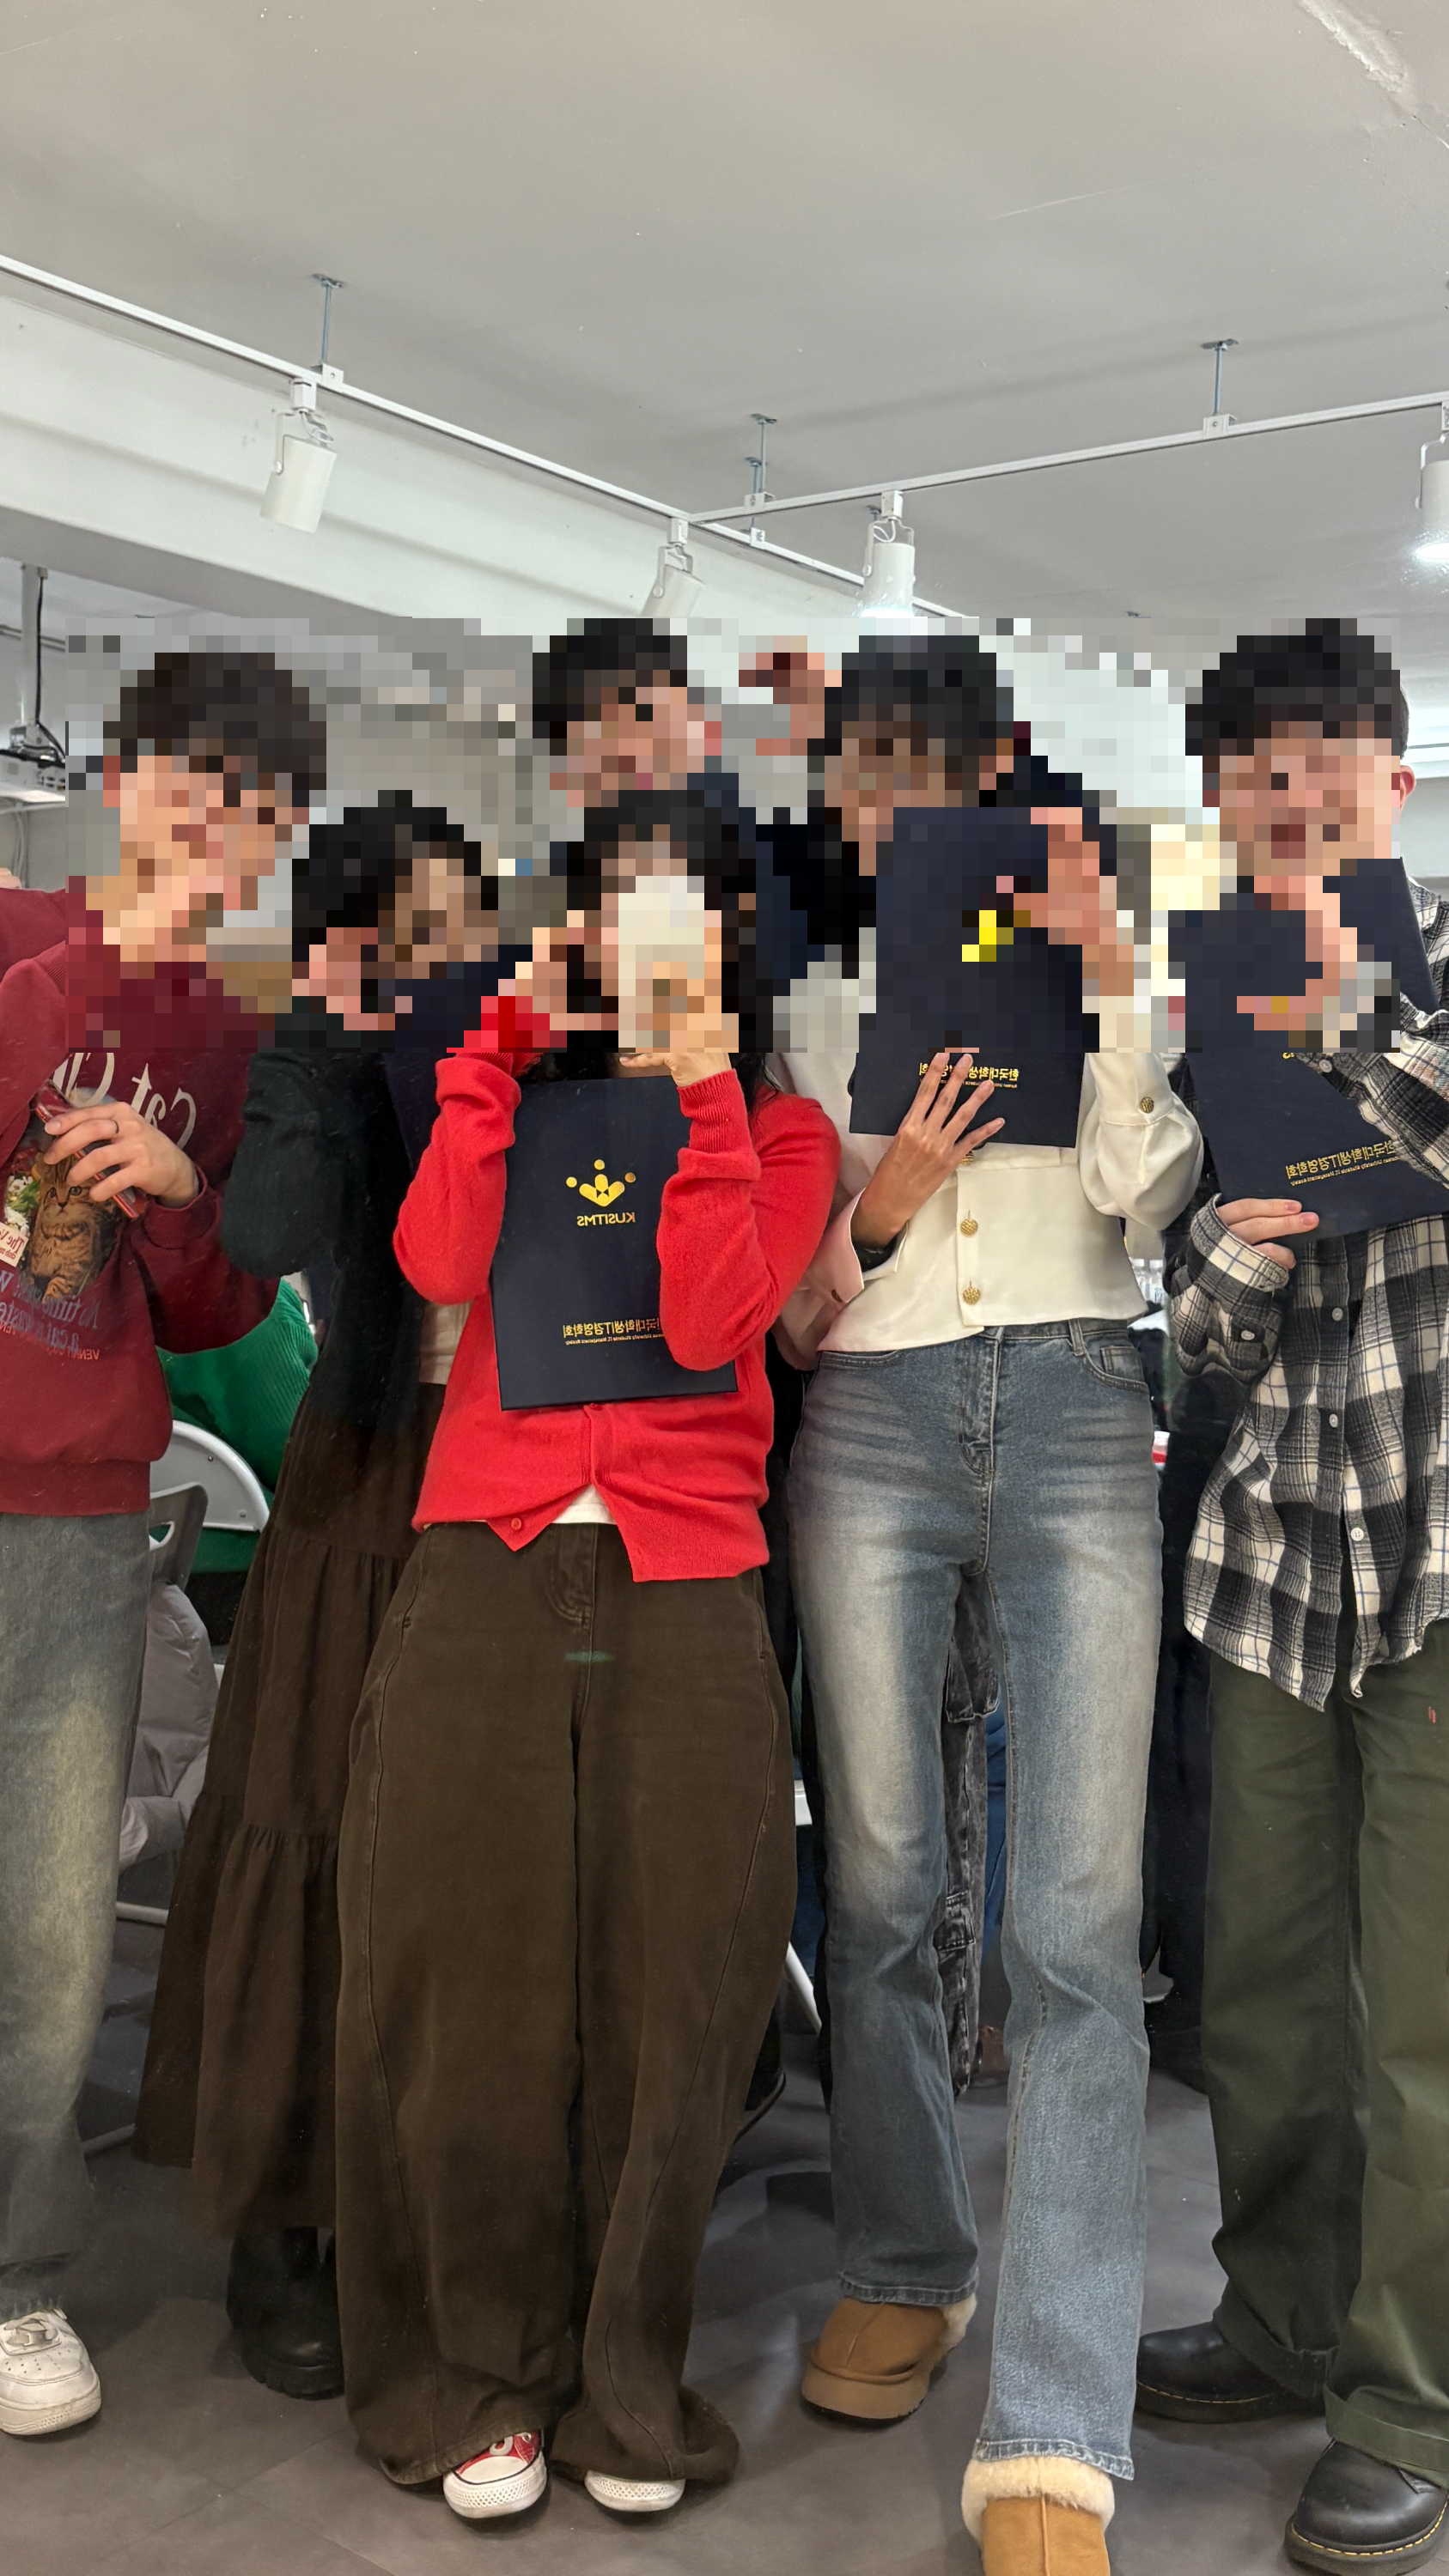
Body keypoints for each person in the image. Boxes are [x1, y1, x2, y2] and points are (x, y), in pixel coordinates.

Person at [332, 793, 838, 2523]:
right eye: (618, 905)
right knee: (461, 1963)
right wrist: (493, 1046)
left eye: (680, 913)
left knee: (675, 1979)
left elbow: (712, 1319)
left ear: (733, 943)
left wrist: (698, 1086)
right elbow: (433, 1260)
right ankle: (478, 2369)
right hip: (488, 1548)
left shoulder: (780, 1127)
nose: (646, 940)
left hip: (688, 1572)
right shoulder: (511, 1093)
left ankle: (628, 2378)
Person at [776, 636, 1203, 2576]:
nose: (890, 809)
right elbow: (784, 1306)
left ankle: (1055, 2416)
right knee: (878, 1881)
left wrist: (1113, 977)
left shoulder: (1089, 950)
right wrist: (886, 1197)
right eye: (862, 778)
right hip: (867, 1408)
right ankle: (903, 2259)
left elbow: (1149, 1197)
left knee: (1077, 1921)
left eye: (925, 776)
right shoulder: (806, 986)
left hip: (1077, 1393)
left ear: (994, 782)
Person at [1136, 625, 1449, 2576]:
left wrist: (1333, 1082)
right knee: (1256, 1981)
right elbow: (1197, 1320)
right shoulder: (1213, 1026)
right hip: (1268, 1555)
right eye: (1254, 766)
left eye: (1326, 754)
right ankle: (1278, 2316)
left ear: (1392, 780)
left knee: (1423, 2009)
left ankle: (1406, 2398)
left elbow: (1413, 1133)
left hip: (1436, 1550)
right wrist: (1253, 1250)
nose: (1291, 791)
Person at [135, 798, 500, 2398]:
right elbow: (269, 1233)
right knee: (316, 1828)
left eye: (462, 927)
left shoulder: (533, 1048)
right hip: (364, 1474)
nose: (442, 958)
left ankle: (442, 2209)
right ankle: (287, 2221)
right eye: (406, 931)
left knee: (466, 1862)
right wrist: (324, 1037)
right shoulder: (320, 1062)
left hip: (514, 1477)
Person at [0, 648, 319, 2438]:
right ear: (120, 780)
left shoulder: (238, 1033)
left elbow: (215, 1307)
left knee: (53, 1919)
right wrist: (104, 956)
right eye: (195, 785)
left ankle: (18, 2275)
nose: (220, 831)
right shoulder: (17, 938)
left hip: (78, 1503)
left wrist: (189, 1192)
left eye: (258, 811)